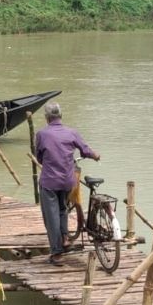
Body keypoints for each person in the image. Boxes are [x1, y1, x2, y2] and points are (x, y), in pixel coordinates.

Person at [35, 102, 100, 266]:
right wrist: (96, 156)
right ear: (60, 116)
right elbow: (86, 151)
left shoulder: (42, 134)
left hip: (49, 181)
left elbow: (39, 157)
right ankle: (65, 237)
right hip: (68, 181)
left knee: (52, 217)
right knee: (63, 209)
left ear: (47, 117)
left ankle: (56, 254)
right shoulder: (72, 132)